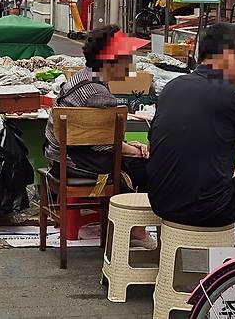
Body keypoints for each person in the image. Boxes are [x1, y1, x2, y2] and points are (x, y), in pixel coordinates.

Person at [146, 23, 235, 241]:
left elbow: (154, 145)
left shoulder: (172, 86)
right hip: (208, 210)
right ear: (227, 54)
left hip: (160, 201)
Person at [45, 25, 155, 248]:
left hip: (59, 157)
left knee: (137, 159)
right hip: (76, 162)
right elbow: (105, 144)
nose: (130, 64)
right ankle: (136, 229)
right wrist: (135, 149)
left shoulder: (82, 76)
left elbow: (101, 138)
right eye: (126, 58)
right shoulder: (100, 95)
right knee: (148, 165)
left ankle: (133, 225)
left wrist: (126, 145)